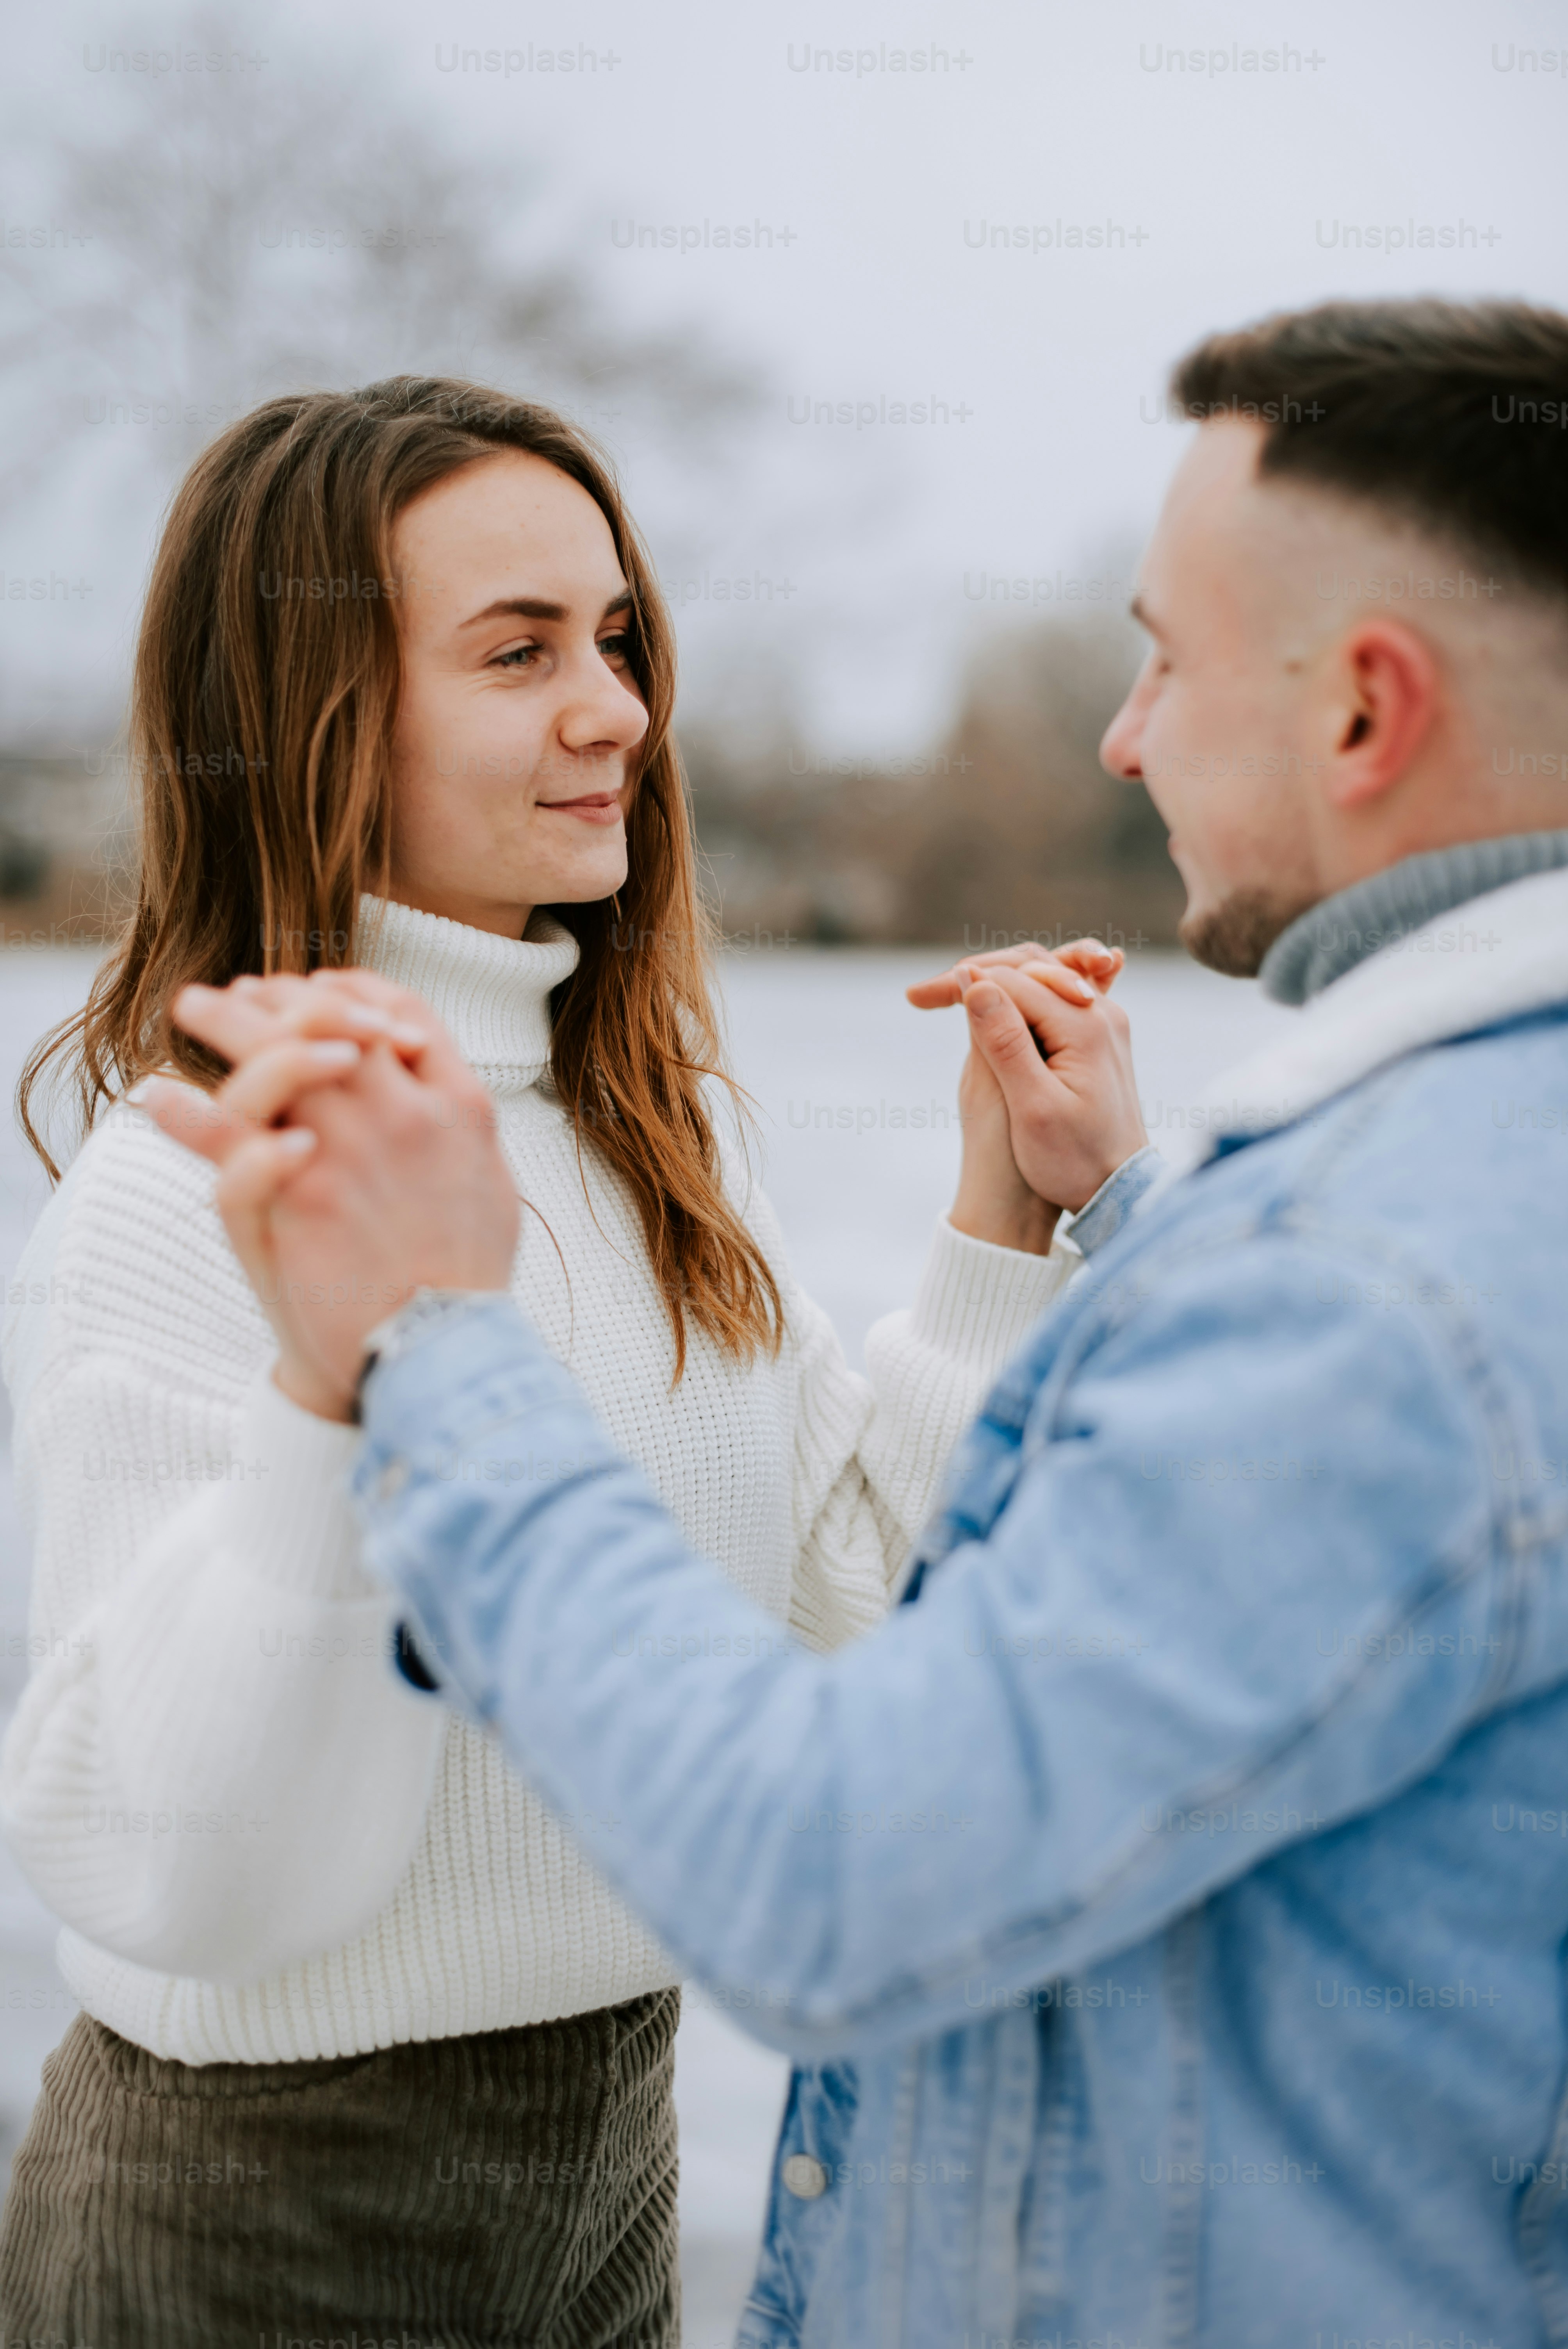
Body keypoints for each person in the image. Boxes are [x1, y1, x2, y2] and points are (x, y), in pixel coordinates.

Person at [150, 297, 1568, 2347]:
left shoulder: (1362, 1273)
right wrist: (1125, 1221)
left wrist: (440, 1343)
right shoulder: (1431, 1190)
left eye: (1165, 660)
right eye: (522, 649)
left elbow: (834, 1864)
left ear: (1364, 711)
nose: (1122, 736)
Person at [0, 373, 1144, 2349]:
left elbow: (855, 1645)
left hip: (606, 2182)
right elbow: (180, 1873)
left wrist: (996, 1237)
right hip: (254, 2230)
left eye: (617, 638)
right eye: (518, 650)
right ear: (315, 716)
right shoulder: (197, 1182)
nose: (615, 708)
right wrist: (341, 1391)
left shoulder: (639, 1138)